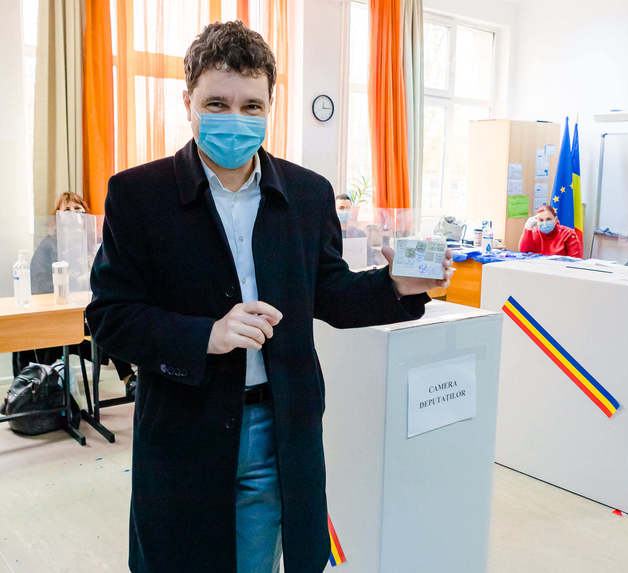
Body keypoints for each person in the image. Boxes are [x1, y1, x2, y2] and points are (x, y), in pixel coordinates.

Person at [86, 21, 452, 573]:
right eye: (217, 103)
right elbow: (109, 317)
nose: (235, 118)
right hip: (185, 426)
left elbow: (330, 294)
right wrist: (206, 335)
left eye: (251, 105)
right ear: (187, 102)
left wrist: (394, 286)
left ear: (270, 106)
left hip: (276, 426)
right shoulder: (139, 195)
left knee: (256, 562)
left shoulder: (307, 194)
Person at [12, 193, 137, 397]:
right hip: (56, 317)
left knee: (109, 320)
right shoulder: (49, 245)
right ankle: (44, 390)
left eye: (77, 209)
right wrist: (71, 280)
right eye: (67, 210)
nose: (73, 214)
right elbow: (39, 284)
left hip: (86, 313)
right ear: (57, 217)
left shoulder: (92, 245)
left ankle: (129, 379)